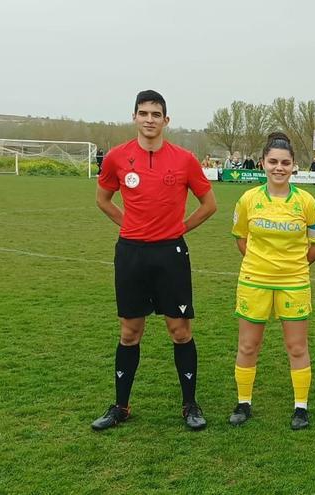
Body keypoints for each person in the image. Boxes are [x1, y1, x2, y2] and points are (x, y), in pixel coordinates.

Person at [91, 90, 217, 431]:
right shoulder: (117, 157)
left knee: (179, 330)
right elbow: (103, 199)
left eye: (156, 114)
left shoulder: (184, 159)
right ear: (134, 117)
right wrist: (129, 225)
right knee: (130, 332)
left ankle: (190, 405)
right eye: (143, 113)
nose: (149, 119)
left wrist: (180, 228)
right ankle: (120, 406)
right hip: (131, 253)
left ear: (166, 120)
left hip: (170, 253)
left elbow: (209, 204)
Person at [229, 132, 315, 430]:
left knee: (297, 346)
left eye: (285, 162)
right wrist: (261, 265)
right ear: (262, 163)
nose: (278, 168)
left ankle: (301, 408)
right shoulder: (248, 200)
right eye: (273, 162)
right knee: (248, 345)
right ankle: (243, 403)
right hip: (254, 281)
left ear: (294, 165)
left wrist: (292, 266)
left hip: (294, 282)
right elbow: (241, 239)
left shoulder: (307, 202)